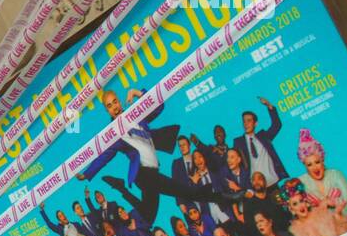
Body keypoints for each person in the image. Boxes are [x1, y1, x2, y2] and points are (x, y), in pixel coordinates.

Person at [78, 88, 234, 223]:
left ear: (120, 102)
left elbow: (158, 107)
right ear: (107, 111)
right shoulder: (112, 134)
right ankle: (219, 196)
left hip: (153, 171)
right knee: (179, 190)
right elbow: (104, 156)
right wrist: (87, 174)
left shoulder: (135, 114)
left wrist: (138, 93)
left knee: (149, 216)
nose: (114, 107)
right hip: (142, 173)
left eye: (115, 102)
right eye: (109, 106)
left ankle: (213, 196)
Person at [233, 97, 289, 185]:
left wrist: (269, 106)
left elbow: (277, 125)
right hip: (256, 186)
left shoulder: (263, 136)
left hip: (272, 181)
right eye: (244, 121)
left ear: (256, 123)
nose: (246, 124)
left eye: (249, 121)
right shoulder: (238, 142)